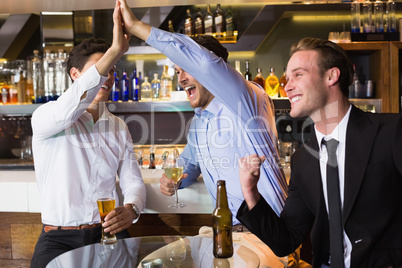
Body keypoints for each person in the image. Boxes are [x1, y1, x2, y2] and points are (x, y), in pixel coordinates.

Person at [116, 1, 303, 267]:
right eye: (178, 71)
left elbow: (204, 63)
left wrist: (136, 27)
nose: (180, 79)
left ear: (215, 72)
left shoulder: (246, 99)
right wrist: (175, 180)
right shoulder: (199, 123)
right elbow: (188, 165)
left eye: (185, 69)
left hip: (268, 234)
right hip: (226, 235)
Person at [236, 37, 402, 268]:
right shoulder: (303, 160)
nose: (287, 85)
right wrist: (250, 192)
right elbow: (286, 240)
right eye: (287, 76)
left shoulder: (391, 132)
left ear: (331, 76)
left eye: (298, 74)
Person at [30, 3, 146, 267]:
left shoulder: (119, 127)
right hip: (58, 239)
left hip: (109, 235)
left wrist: (132, 209)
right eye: (102, 69)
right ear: (76, 75)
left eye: (112, 70)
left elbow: (133, 182)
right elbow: (72, 105)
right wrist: (115, 50)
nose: (108, 76)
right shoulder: (48, 117)